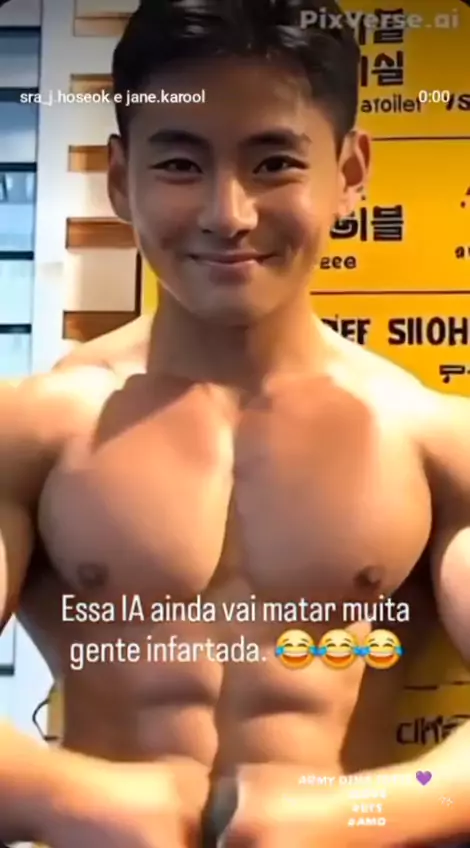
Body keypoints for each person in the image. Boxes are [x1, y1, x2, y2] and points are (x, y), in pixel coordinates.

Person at [1, 0, 470, 845]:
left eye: (274, 163)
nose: (229, 214)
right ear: (121, 179)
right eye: (181, 164)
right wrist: (70, 799)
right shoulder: (33, 432)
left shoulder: (432, 442)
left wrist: (360, 815)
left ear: (350, 170)